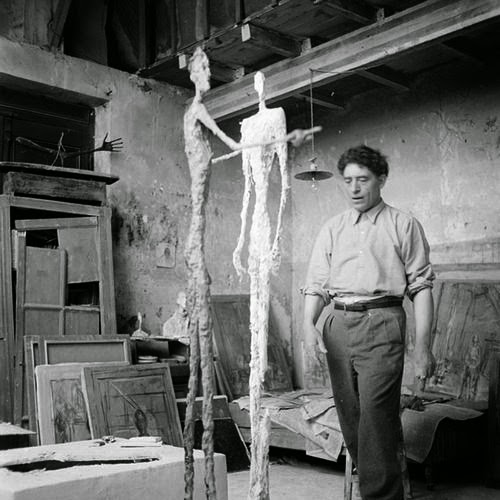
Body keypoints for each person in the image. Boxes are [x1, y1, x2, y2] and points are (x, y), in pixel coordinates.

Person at [302, 144, 435, 500]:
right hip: (337, 325)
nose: (354, 189)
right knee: (351, 417)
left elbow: (421, 289)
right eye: (348, 181)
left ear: (382, 180)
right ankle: (378, 487)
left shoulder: (403, 225)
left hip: (383, 321)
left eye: (363, 180)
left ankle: (380, 495)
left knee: (376, 417)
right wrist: (308, 327)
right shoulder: (333, 228)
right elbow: (315, 285)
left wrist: (423, 348)